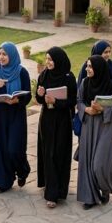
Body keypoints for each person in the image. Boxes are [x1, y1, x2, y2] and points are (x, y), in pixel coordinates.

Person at [0, 42, 32, 193]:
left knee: (14, 149)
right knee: (1, 149)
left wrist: (17, 100)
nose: (1, 57)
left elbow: (28, 95)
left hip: (16, 115)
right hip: (0, 116)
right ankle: (4, 182)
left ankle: (23, 170)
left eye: (4, 54)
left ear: (11, 55)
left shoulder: (21, 72)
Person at [76, 55, 112, 209]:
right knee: (87, 162)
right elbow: (79, 101)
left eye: (90, 67)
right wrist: (87, 109)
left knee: (99, 164)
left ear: (99, 69)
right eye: (87, 66)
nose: (87, 69)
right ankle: (89, 197)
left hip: (105, 128)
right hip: (88, 126)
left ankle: (106, 187)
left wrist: (103, 110)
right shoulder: (84, 83)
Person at [35, 46, 77, 208]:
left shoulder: (68, 78)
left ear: (58, 60)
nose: (48, 62)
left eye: (51, 60)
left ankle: (59, 190)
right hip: (46, 120)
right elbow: (39, 100)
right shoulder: (44, 75)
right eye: (47, 59)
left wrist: (56, 102)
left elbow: (72, 101)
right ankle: (51, 193)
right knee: (48, 153)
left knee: (59, 153)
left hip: (62, 121)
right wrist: (39, 95)